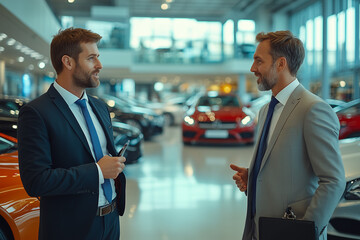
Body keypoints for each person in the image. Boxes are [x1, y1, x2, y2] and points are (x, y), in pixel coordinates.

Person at [230, 30, 345, 240]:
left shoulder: (313, 109)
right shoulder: (266, 110)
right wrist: (255, 176)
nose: (252, 68)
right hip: (259, 229)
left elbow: (333, 180)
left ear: (280, 64)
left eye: (259, 61)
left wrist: (305, 231)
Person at [17, 28, 126, 240]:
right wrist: (97, 171)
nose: (99, 65)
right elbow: (36, 181)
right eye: (91, 58)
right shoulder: (36, 113)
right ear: (68, 62)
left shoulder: (100, 107)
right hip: (71, 228)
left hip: (111, 221)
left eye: (98, 57)